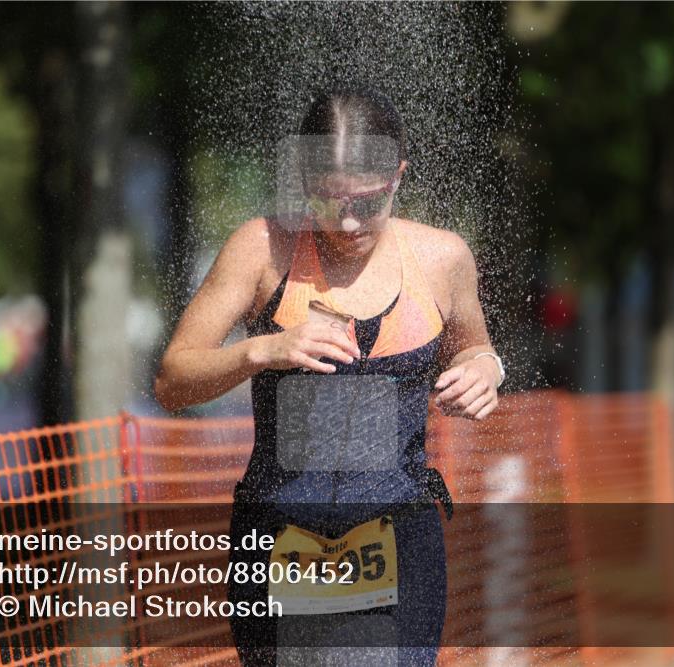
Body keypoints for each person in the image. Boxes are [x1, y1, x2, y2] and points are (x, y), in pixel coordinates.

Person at [154, 83, 503, 666]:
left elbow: (476, 351)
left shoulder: (443, 259)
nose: (345, 224)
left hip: (401, 534)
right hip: (281, 536)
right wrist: (262, 351)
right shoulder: (261, 250)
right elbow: (172, 381)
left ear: (398, 175)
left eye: (366, 203)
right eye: (326, 202)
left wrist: (486, 371)